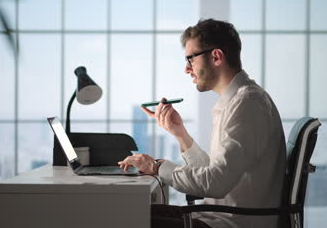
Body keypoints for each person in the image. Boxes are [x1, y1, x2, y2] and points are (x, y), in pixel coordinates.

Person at [118, 19, 286, 228]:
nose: (187, 69)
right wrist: (180, 134)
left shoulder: (247, 104)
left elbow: (216, 183)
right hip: (218, 218)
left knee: (123, 216)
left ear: (216, 56)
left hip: (229, 223)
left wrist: (155, 166)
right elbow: (214, 173)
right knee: (127, 211)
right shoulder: (238, 101)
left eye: (191, 59)